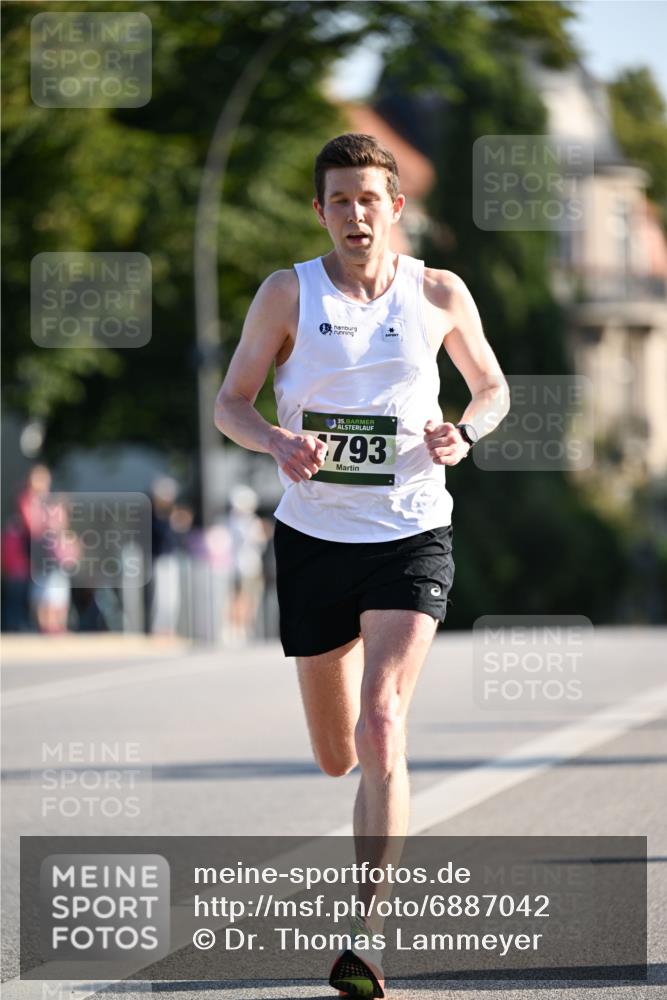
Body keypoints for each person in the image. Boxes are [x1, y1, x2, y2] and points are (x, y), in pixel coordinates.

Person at [214, 133, 510, 997]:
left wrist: (465, 431)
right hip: (312, 538)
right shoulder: (286, 294)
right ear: (320, 211)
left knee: (382, 723)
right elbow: (230, 401)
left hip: (410, 531)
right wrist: (274, 439)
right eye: (338, 200)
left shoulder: (438, 292)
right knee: (335, 752)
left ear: (394, 208)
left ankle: (364, 935)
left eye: (367, 199)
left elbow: (489, 388)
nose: (354, 213)